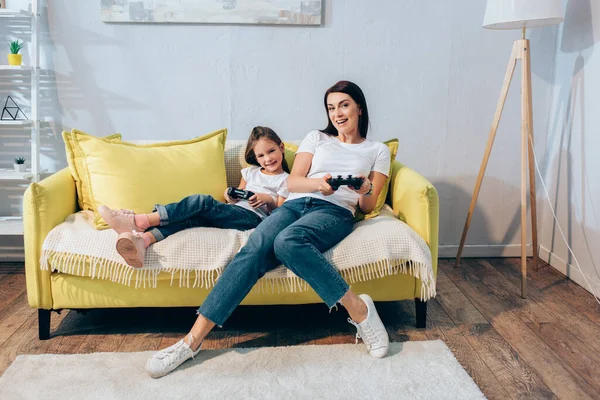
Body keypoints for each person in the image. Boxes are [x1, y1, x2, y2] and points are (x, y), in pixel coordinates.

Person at [144, 81, 391, 379]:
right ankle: (190, 342)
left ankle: (359, 310)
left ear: (359, 107)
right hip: (296, 204)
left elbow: (367, 204)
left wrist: (364, 186)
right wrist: (319, 183)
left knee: (288, 242)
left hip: (335, 210)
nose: (337, 113)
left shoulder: (377, 150)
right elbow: (294, 182)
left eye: (344, 105)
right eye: (331, 107)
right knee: (255, 248)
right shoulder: (317, 138)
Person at [98, 126, 290, 268]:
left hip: (254, 218)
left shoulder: (287, 180)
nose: (268, 159)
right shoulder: (250, 173)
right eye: (261, 155)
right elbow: (234, 197)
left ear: (281, 147)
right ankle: (143, 241)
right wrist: (229, 195)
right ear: (255, 158)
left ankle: (139, 221)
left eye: (271, 151)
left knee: (201, 201)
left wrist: (268, 199)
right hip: (235, 211)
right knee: (191, 218)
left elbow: (281, 212)